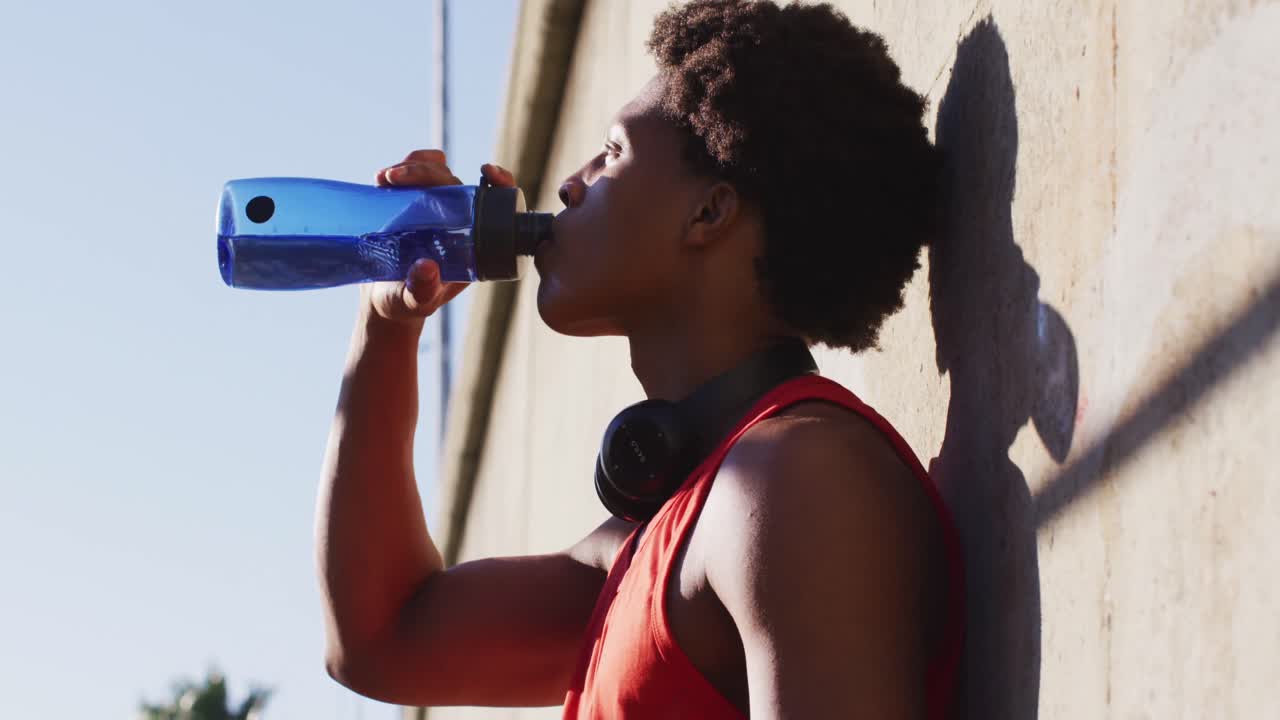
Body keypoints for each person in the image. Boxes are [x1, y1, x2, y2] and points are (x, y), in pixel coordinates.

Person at [317, 1, 963, 717]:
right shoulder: (661, 532)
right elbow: (381, 641)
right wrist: (385, 324)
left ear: (709, 215)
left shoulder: (797, 479)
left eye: (613, 152)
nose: (570, 184)